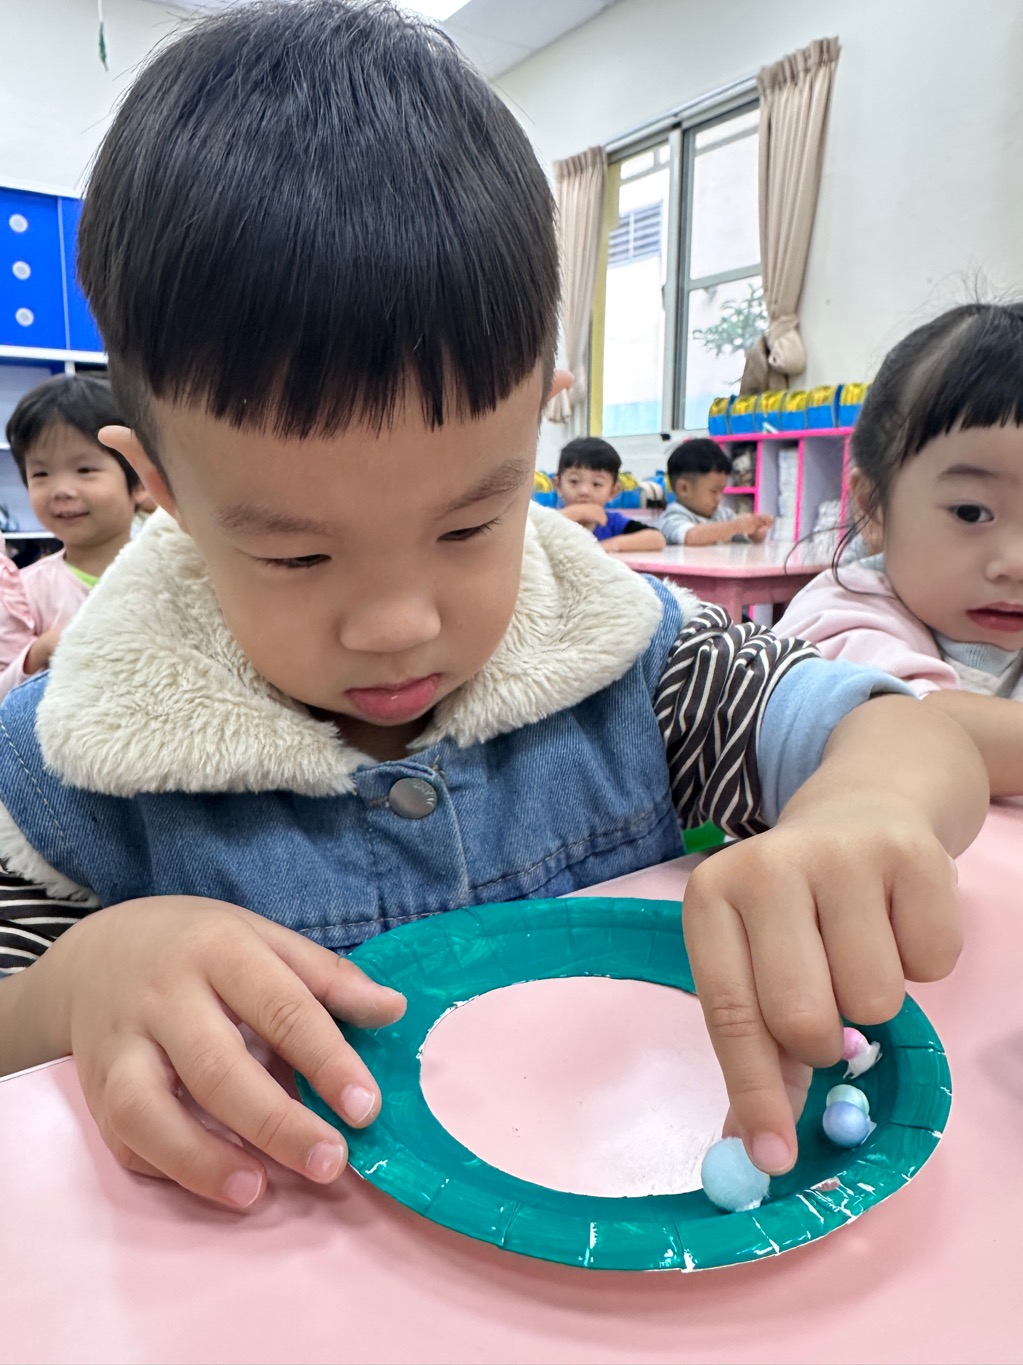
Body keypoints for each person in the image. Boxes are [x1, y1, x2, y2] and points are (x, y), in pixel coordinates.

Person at [0, 0, 986, 1212]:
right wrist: (81, 983)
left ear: (535, 424)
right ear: (160, 489)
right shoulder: (81, 754)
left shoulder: (630, 665)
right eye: (299, 556)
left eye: (471, 526)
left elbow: (909, 736)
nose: (398, 625)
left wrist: (865, 810)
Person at [776, 302, 1023, 795]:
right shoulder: (841, 616)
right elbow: (905, 729)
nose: (1015, 564)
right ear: (875, 509)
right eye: (971, 512)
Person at [0, 376, 145, 699]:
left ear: (139, 482)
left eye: (85, 470)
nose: (62, 490)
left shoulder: (172, 571)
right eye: (41, 474)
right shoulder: (23, 592)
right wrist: (38, 653)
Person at [554, 436, 666, 552]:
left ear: (613, 492)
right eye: (574, 481)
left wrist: (613, 544)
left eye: (597, 484)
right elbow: (542, 528)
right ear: (558, 485)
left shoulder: (611, 522)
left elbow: (657, 539)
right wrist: (573, 514)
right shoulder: (549, 518)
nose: (584, 491)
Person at [660, 438, 774, 546]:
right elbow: (691, 537)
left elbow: (743, 537)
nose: (719, 498)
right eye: (713, 491)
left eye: (721, 491)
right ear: (684, 488)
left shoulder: (722, 514)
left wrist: (754, 531)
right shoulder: (672, 517)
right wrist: (735, 526)